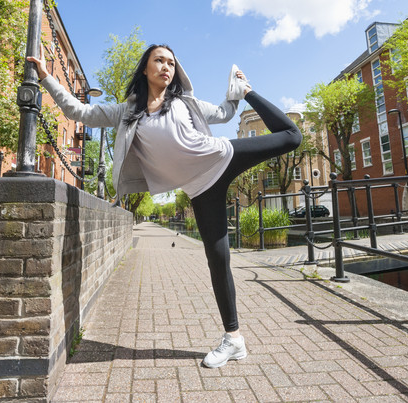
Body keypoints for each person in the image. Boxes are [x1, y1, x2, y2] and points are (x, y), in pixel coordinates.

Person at [27, 44, 301, 368]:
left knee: (291, 137)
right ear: (145, 67)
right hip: (201, 190)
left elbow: (226, 114)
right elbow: (79, 113)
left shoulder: (186, 103)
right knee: (218, 260)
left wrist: (238, 95)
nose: (166, 67)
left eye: (171, 62)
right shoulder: (128, 112)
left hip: (222, 157)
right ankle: (234, 340)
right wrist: (46, 77)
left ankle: (249, 89)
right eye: (159, 60)